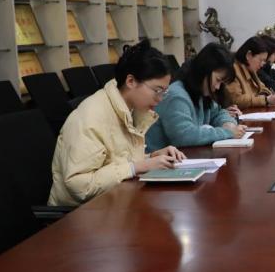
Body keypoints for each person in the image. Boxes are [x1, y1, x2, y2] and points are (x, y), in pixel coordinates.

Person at [48, 40, 185, 207]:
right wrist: (137, 167)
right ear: (131, 81)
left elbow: (117, 161)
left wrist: (152, 158)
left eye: (164, 92)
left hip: (114, 203)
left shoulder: (129, 108)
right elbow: (79, 185)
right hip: (79, 214)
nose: (160, 99)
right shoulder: (91, 117)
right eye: (157, 90)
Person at [146, 42, 246, 150]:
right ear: (204, 70)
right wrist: (226, 132)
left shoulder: (201, 93)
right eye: (217, 80)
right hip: (157, 158)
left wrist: (228, 123)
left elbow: (218, 113)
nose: (217, 87)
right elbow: (183, 136)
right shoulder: (176, 96)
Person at [227, 36, 275, 108]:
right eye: (260, 60)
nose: (262, 64)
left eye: (264, 61)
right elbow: (236, 100)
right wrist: (265, 100)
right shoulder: (232, 70)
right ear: (248, 55)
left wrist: (270, 96)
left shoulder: (250, 69)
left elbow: (262, 88)